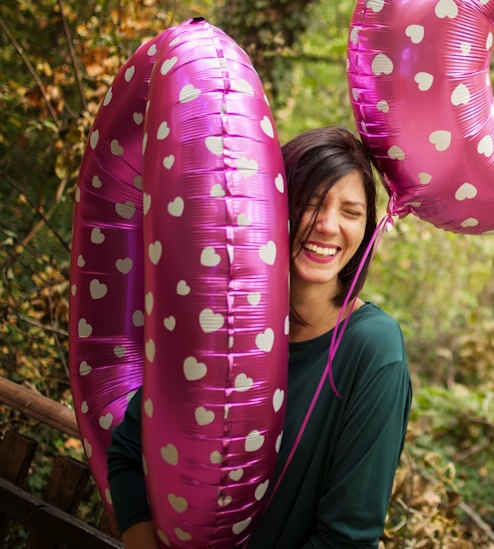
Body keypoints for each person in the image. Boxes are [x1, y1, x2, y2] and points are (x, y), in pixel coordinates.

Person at [106, 126, 412, 548]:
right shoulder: (217, 317)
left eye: (351, 212)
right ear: (273, 207)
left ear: (366, 229)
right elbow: (127, 453)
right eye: (310, 203)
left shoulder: (373, 349)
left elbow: (347, 539)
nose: (327, 226)